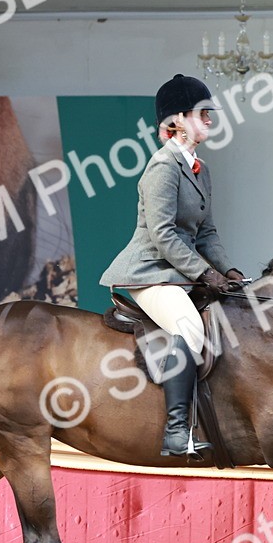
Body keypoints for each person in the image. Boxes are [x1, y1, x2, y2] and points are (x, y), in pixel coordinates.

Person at [100, 74, 245, 459]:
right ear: (178, 120)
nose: (210, 120)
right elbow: (163, 234)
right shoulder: (163, 167)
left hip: (178, 272)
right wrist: (205, 274)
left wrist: (229, 272)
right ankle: (177, 431)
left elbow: (207, 232)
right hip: (149, 271)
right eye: (203, 113)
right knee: (189, 327)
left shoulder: (201, 169)